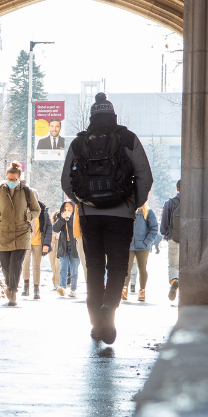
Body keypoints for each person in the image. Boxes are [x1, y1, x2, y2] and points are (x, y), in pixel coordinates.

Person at [61, 92, 153, 344]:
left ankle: (95, 325)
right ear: (113, 115)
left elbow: (65, 182)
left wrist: (82, 201)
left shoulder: (79, 143)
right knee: (117, 267)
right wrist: (133, 203)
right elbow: (145, 176)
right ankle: (109, 309)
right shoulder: (128, 138)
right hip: (121, 215)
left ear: (92, 117)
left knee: (94, 268)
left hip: (90, 215)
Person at [0, 161, 39, 306]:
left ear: (19, 178)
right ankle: (10, 285)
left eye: (14, 180)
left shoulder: (27, 191)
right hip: (3, 234)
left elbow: (37, 210)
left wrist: (26, 217)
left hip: (21, 233)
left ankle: (13, 292)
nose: (11, 182)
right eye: (8, 179)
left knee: (16, 264)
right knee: (5, 266)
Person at [122, 203, 159, 302]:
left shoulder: (147, 212)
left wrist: (146, 242)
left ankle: (142, 291)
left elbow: (154, 228)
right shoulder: (127, 210)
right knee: (127, 268)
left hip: (142, 246)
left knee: (142, 268)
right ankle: (124, 289)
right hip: (128, 245)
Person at [21, 198, 52, 299]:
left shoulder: (42, 211)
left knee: (36, 265)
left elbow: (48, 227)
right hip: (26, 241)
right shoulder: (22, 209)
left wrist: (46, 244)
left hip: (38, 242)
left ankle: (36, 288)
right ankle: (25, 287)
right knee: (25, 263)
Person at [160, 180, 182, 301]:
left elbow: (163, 224)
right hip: (189, 240)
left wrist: (167, 234)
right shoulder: (193, 202)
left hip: (173, 238)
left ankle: (174, 280)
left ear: (177, 188)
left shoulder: (170, 203)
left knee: (173, 265)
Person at [53, 201, 79, 297]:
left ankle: (73, 289)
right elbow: (55, 228)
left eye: (69, 206)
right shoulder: (61, 217)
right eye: (65, 207)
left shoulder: (77, 217)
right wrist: (63, 219)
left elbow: (78, 227)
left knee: (73, 269)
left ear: (73, 208)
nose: (67, 208)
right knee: (63, 268)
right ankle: (62, 287)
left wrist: (70, 218)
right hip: (63, 246)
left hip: (74, 246)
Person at [49, 208, 61, 288]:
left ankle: (57, 282)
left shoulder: (63, 223)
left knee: (58, 264)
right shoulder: (50, 223)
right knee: (53, 264)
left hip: (60, 243)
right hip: (51, 244)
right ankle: (54, 282)